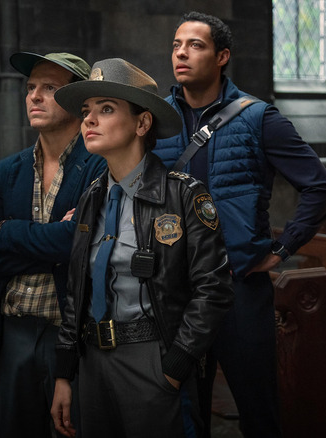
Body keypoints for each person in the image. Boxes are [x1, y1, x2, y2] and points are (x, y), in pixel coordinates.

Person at [153, 11, 326, 437]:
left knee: (259, 411)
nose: (182, 53)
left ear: (223, 56)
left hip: (238, 288)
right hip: (174, 286)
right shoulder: (154, 120)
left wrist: (282, 249)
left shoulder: (258, 118)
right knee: (184, 413)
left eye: (195, 45)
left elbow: (320, 188)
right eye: (177, 45)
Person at [48, 58, 234, 438]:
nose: (89, 120)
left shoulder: (182, 195)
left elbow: (213, 289)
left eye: (106, 109)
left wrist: (175, 366)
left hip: (151, 358)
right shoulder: (91, 198)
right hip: (92, 361)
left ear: (142, 123)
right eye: (86, 111)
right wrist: (64, 373)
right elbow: (76, 289)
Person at [0, 51, 105, 437]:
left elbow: (81, 246)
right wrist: (54, 241)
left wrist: (7, 231)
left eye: (49, 88)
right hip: (13, 335)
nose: (34, 96)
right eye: (30, 88)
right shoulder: (8, 170)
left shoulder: (99, 164)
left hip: (75, 335)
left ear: (76, 100)